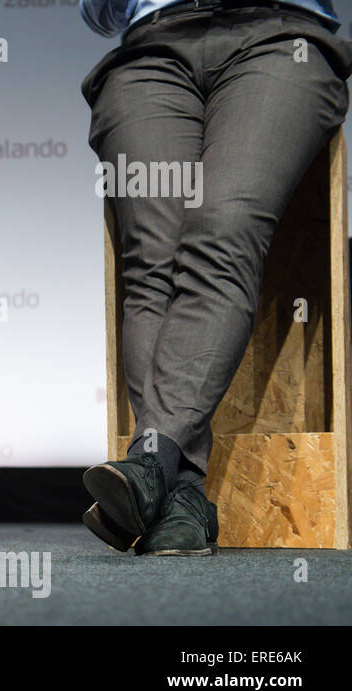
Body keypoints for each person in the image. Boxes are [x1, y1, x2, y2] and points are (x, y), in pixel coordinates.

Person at [78, 0, 351, 555]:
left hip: (279, 35)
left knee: (222, 231)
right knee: (153, 259)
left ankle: (151, 461)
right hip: (151, 47)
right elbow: (97, 11)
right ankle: (182, 501)